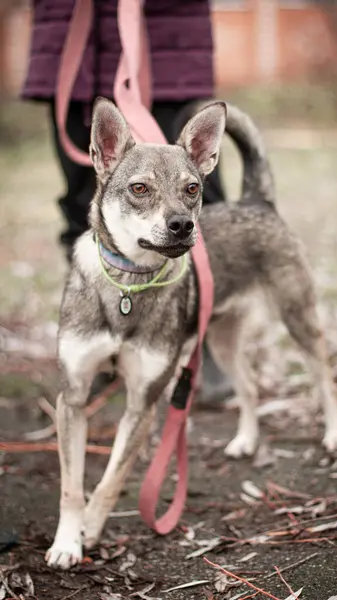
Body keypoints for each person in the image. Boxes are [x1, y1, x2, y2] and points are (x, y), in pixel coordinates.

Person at [22, 0, 230, 400]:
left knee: (193, 204)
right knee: (83, 204)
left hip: (169, 39)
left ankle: (201, 340)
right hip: (68, 36)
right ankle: (96, 336)